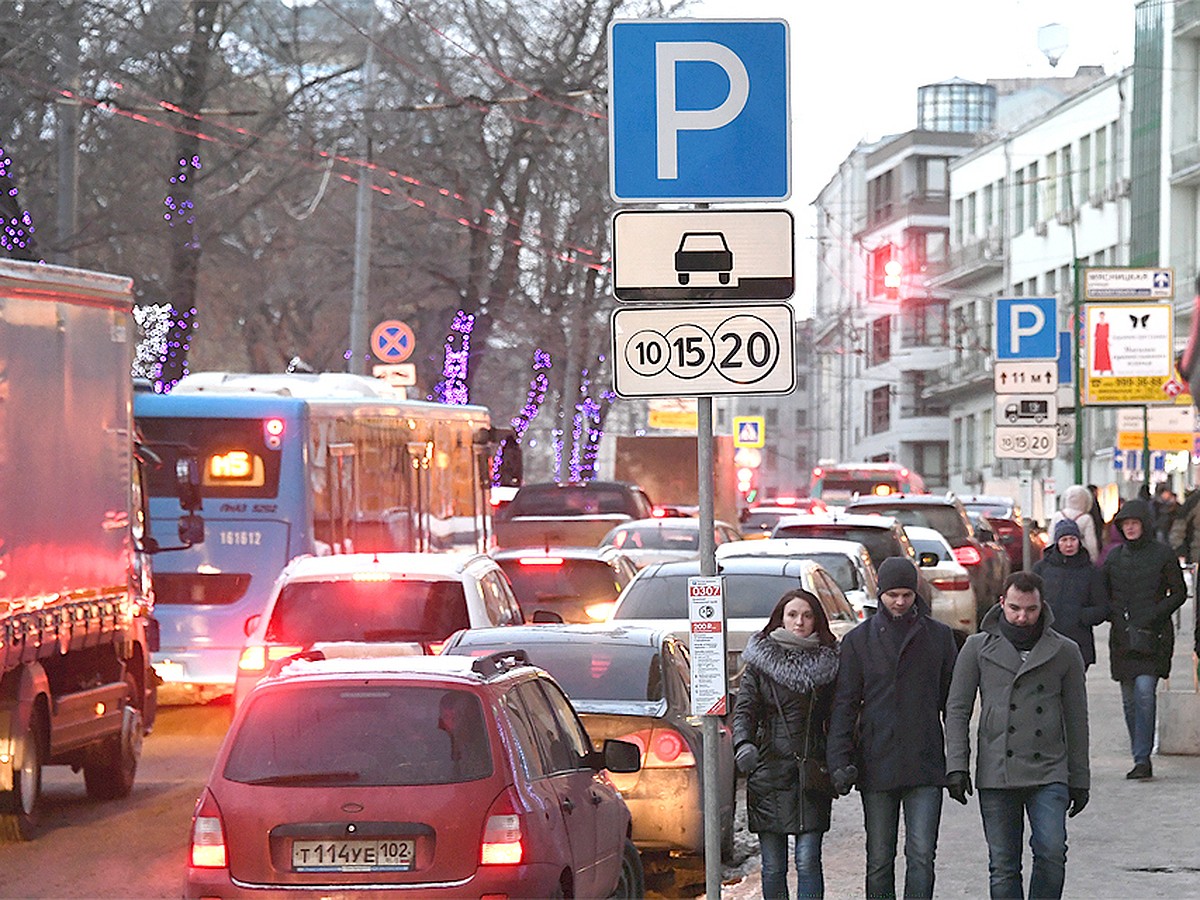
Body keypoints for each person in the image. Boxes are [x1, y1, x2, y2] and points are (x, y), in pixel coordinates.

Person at [944, 571, 1091, 900]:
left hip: (1049, 768)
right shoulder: (976, 648)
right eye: (1014, 608)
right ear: (1001, 604)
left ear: (1042, 607)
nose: (1022, 617)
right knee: (1004, 864)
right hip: (998, 770)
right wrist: (957, 765)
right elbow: (957, 709)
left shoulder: (1065, 651)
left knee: (1052, 853)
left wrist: (1079, 777)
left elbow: (1076, 718)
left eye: (1031, 609)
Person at [826, 557, 958, 899]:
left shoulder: (940, 637)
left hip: (925, 762)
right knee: (880, 858)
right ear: (880, 593)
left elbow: (953, 706)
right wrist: (839, 760)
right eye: (892, 595)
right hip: (877, 761)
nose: (900, 602)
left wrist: (957, 763)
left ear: (916, 594)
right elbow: (845, 704)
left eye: (907, 595)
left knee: (921, 856)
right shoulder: (858, 641)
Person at [733, 589, 841, 899]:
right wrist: (743, 744)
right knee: (773, 865)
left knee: (808, 860)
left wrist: (841, 759)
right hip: (769, 771)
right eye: (792, 615)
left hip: (812, 772)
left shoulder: (829, 662)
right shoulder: (759, 663)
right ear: (780, 618)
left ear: (817, 620)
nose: (799, 622)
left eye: (807, 615)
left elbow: (840, 716)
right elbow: (745, 710)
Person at [1102, 498, 1187, 779]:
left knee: (1144, 693)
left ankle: (1142, 758)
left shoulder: (1162, 555)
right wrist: (1113, 616)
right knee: (1129, 700)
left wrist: (1155, 613)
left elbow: (1178, 592)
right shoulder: (1114, 558)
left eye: (1134, 523)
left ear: (1144, 525)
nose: (1130, 528)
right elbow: (1103, 593)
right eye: (1125, 524)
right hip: (1123, 639)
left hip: (1154, 637)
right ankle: (1139, 753)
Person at [1032, 518, 1109, 670]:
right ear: (1056, 542)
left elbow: (1103, 607)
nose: (1069, 544)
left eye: (1073, 539)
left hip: (1078, 641)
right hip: (1047, 640)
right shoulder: (1042, 569)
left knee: (1073, 689)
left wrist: (1083, 616)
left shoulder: (1090, 571)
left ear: (1079, 541)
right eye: (1064, 540)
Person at [1049, 485, 1101, 561]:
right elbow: (1091, 543)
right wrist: (1093, 559)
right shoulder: (1086, 518)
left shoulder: (1057, 516)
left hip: (1058, 557)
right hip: (1081, 558)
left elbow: (1051, 539)